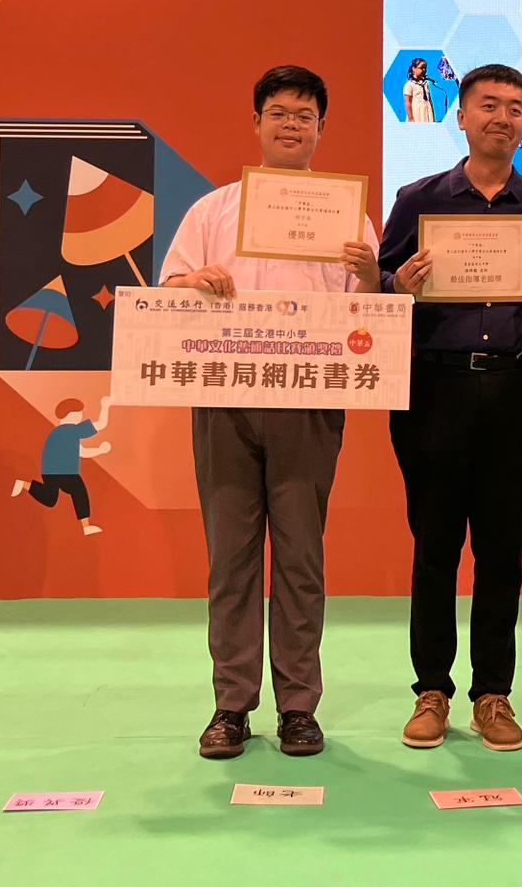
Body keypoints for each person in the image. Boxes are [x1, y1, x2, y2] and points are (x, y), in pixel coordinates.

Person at [160, 65, 381, 760]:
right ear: (256, 123)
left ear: (321, 129)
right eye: (280, 113)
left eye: (305, 116)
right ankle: (231, 704)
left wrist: (371, 275)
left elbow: (370, 315)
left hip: (309, 406)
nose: (292, 125)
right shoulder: (212, 211)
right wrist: (194, 279)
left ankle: (298, 707)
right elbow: (168, 289)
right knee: (231, 560)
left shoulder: (348, 217)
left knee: (300, 560)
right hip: (225, 401)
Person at [380, 64, 522, 753]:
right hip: (433, 391)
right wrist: (396, 285)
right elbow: (378, 283)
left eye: (515, 107)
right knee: (434, 549)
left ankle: (493, 694)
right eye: (489, 105)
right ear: (461, 116)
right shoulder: (418, 199)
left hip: (516, 391)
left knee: (502, 553)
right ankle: (431, 690)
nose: (503, 118)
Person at [11, 397, 111, 536]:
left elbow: (82, 452)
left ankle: (24, 484)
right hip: (65, 472)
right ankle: (86, 525)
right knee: (79, 492)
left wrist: (100, 450)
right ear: (71, 415)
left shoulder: (61, 433)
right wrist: (105, 406)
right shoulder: (70, 430)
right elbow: (100, 425)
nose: (81, 417)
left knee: (50, 498)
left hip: (50, 472)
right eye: (79, 413)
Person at [404, 57, 436, 123]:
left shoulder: (426, 84)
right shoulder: (409, 84)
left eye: (425, 68)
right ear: (414, 69)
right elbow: (408, 103)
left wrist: (433, 117)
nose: (424, 70)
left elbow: (430, 100)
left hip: (427, 113)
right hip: (417, 114)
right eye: (421, 68)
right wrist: (411, 119)